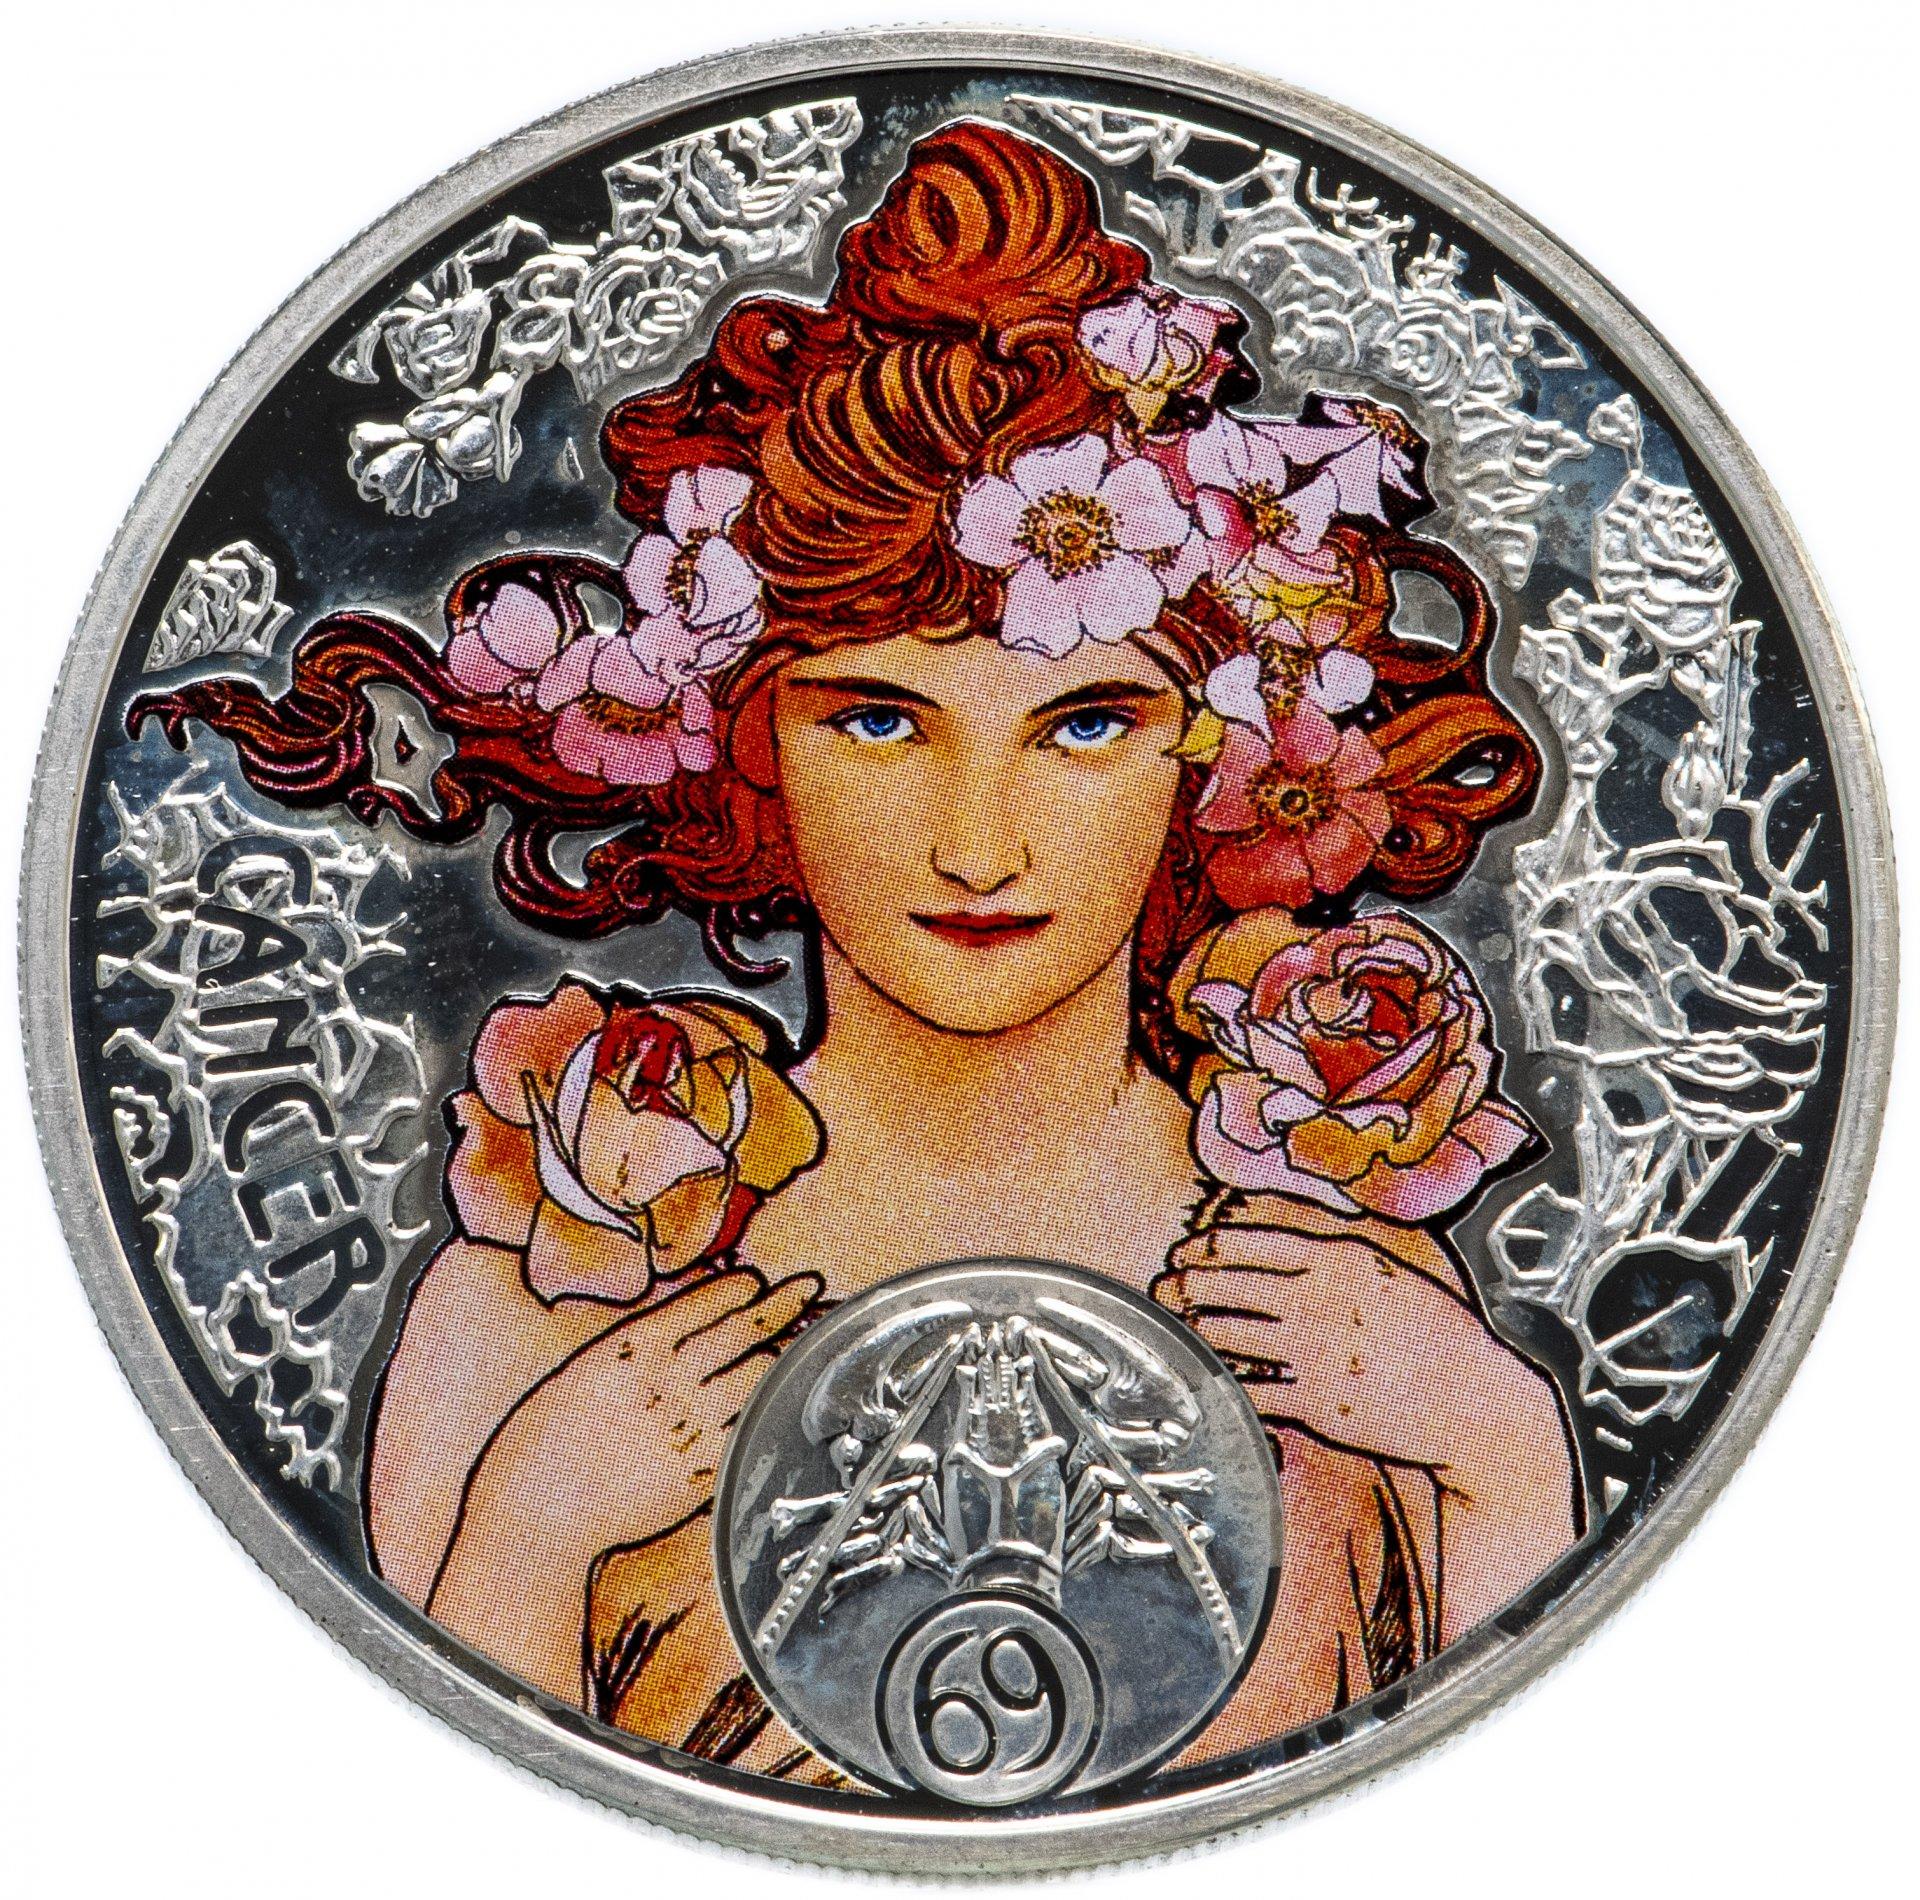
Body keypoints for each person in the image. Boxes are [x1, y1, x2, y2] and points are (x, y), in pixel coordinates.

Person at [138, 120, 1579, 1780]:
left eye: (1086, 724)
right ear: (748, 744)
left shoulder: (1354, 1299)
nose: (979, 841)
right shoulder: (539, 1299)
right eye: (881, 721)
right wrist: (540, 1517)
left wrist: (1499, 1440)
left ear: (1221, 762)